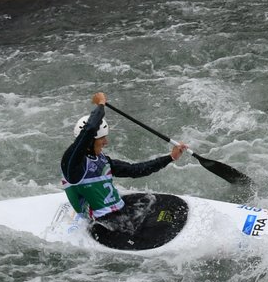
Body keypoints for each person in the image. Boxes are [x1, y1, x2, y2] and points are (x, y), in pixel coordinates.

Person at [61, 91, 185, 229]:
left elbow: (135, 170)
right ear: (89, 141)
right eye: (102, 138)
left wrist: (170, 157)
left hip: (119, 209)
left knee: (152, 202)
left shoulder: (101, 160)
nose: (106, 142)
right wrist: (101, 105)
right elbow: (89, 129)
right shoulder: (71, 166)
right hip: (103, 223)